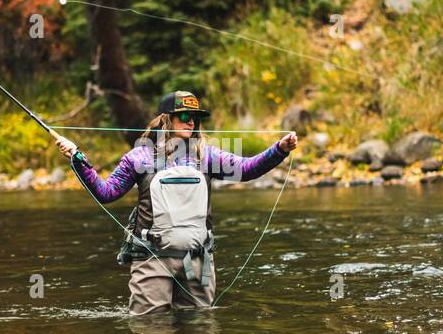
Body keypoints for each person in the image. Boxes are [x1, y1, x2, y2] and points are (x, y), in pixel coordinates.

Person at [55, 91, 298, 315]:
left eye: (195, 117)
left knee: (198, 331)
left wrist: (279, 149)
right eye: (184, 116)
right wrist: (78, 159)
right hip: (152, 260)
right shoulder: (140, 157)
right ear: (166, 120)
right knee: (151, 331)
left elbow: (247, 169)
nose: (191, 121)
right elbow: (106, 193)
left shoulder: (207, 156)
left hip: (197, 261)